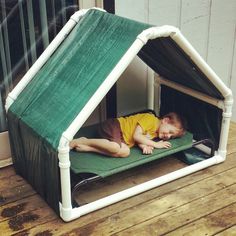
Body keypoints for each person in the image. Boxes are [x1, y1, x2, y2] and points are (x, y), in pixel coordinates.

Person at [70, 111, 187, 158]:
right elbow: (137, 136)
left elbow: (139, 140)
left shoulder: (155, 134)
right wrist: (156, 145)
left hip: (121, 139)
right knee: (115, 147)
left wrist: (144, 146)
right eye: (170, 132)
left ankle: (89, 148)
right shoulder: (151, 119)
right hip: (114, 126)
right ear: (165, 120)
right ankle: (82, 141)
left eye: (172, 137)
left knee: (125, 152)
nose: (168, 136)